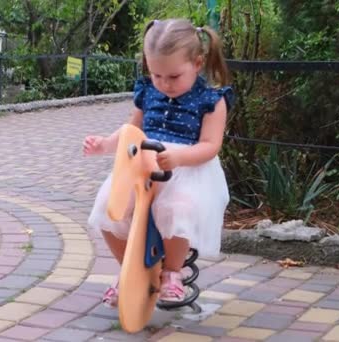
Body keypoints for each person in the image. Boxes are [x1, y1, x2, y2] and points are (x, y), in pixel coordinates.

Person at [82, 18, 234, 308]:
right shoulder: (148, 93)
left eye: (174, 76)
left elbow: (211, 146)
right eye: (156, 75)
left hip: (186, 171)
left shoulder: (212, 100)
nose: (165, 84)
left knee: (177, 209)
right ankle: (130, 270)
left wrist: (178, 157)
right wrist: (104, 144)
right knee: (108, 208)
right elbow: (131, 131)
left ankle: (172, 274)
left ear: (198, 63)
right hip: (142, 167)